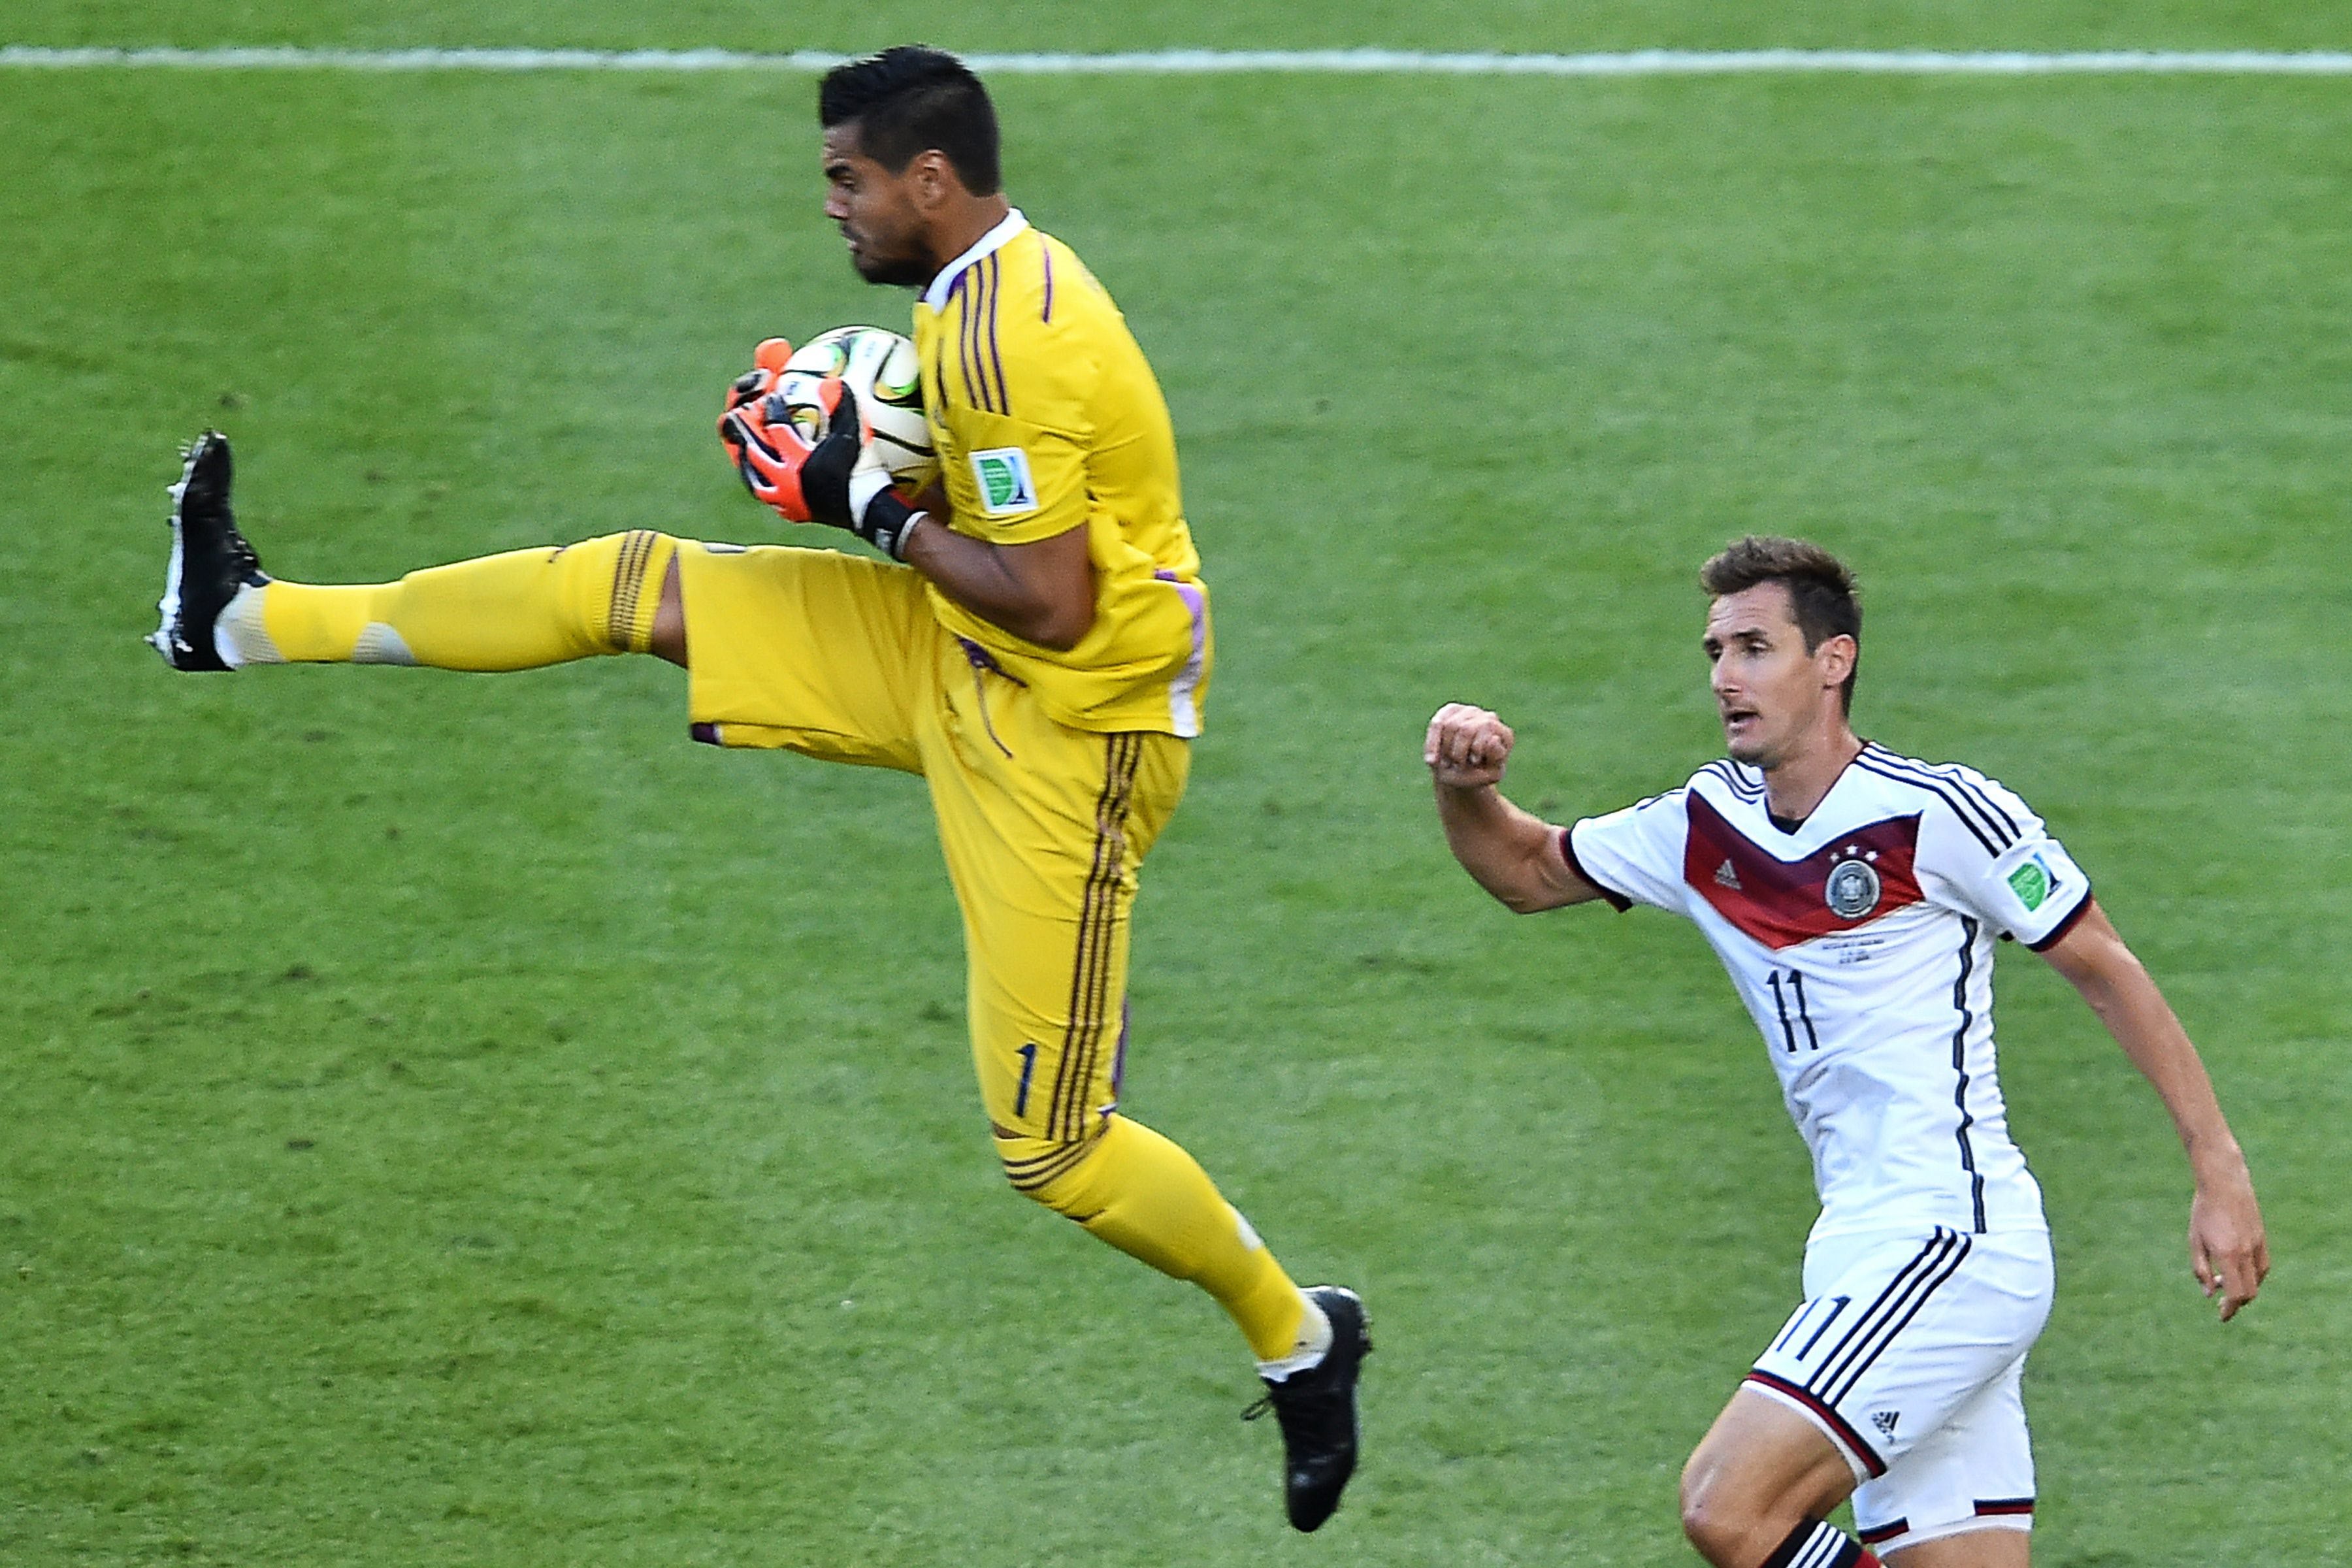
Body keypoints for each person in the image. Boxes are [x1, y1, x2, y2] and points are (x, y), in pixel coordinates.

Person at [146, 44, 1366, 1532]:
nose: (835, 209)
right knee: (633, 588)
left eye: (849, 181)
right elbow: (986, 531)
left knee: (1053, 1147)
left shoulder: (1015, 339)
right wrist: (855, 440)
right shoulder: (970, 301)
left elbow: (1048, 602)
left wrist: (856, 493)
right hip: (962, 652)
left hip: (1071, 738)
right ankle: (235, 621)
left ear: (931, 177)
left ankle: (1300, 1337)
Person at [1424, 536, 2266, 1567]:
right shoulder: (1702, 826)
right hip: (1863, 1250)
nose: (1726, 677)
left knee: (1727, 1508)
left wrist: (2217, 1168)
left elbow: (2103, 963)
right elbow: (1522, 869)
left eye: (1755, 647)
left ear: (1833, 662)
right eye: (1715, 652)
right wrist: (1467, 786)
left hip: (1949, 1242)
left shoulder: (1941, 813)